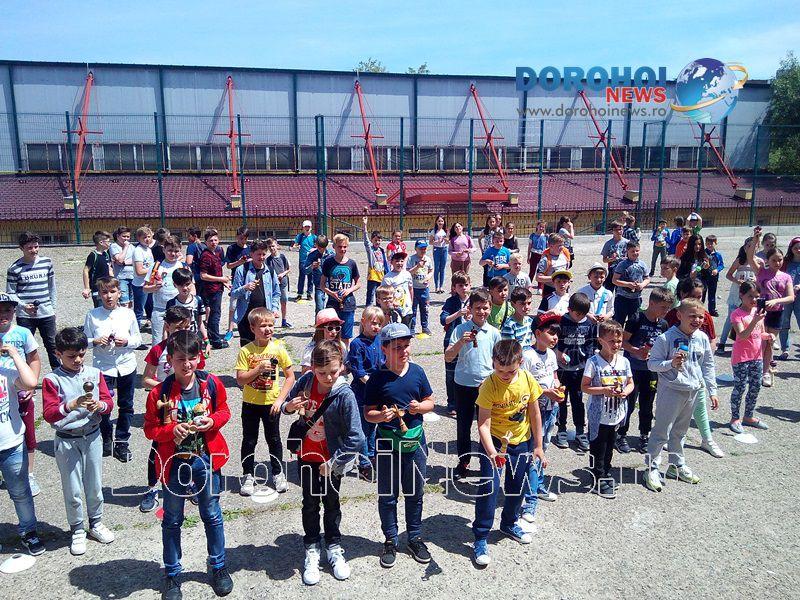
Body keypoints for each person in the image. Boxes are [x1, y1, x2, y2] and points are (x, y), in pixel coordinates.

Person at [143, 331, 234, 599]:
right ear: (170, 360)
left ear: (199, 357)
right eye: (180, 359)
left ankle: (218, 566)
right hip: (174, 464)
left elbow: (224, 411)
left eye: (192, 358)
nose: (187, 364)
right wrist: (170, 430)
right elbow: (150, 429)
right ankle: (172, 574)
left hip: (206, 459)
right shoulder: (159, 393)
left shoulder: (211, 383)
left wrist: (213, 421)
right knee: (172, 519)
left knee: (212, 514)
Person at [281, 341, 363, 586]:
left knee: (331, 503)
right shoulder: (307, 381)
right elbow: (286, 404)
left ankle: (334, 547)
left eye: (333, 372)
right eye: (322, 372)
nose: (328, 377)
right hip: (306, 456)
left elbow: (357, 436)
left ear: (342, 367)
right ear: (312, 368)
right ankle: (312, 547)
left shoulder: (345, 394)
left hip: (330, 461)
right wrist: (288, 407)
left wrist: (335, 462)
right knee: (309, 503)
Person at [365, 323, 435, 569]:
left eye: (406, 346)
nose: (404, 351)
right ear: (384, 349)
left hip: (415, 443)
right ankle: (390, 539)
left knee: (415, 493)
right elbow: (368, 413)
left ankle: (414, 537)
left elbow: (430, 401)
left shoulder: (417, 372)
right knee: (388, 495)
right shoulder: (377, 378)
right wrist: (380, 416)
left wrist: (420, 407)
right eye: (397, 347)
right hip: (387, 444)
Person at [42, 327, 116, 555]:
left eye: (82, 354)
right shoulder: (52, 379)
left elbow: (108, 402)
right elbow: (49, 414)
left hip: (92, 435)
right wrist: (69, 406)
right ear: (58, 354)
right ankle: (77, 529)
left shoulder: (94, 373)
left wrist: (100, 406)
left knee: (94, 484)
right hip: (67, 439)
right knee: (72, 487)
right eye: (71, 356)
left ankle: (96, 522)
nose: (77, 360)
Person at [472, 339, 545, 565]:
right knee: (490, 488)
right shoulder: (489, 385)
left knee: (517, 486)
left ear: (520, 362)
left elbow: (535, 414)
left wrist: (538, 445)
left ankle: (509, 523)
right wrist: (492, 453)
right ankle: (481, 536)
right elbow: (483, 424)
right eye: (499, 370)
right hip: (493, 443)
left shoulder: (527, 379)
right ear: (493, 362)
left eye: (510, 371)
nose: (504, 375)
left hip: (521, 442)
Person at [644, 298, 718, 492]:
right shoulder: (665, 338)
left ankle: (676, 465)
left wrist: (712, 390)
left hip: (693, 390)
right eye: (692, 316)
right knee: (662, 431)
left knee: (680, 432)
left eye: (700, 317)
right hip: (671, 390)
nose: (697, 320)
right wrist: (671, 364)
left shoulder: (702, 337)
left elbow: (708, 365)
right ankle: (651, 468)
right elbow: (652, 364)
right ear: (679, 315)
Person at [140, 306, 207, 513]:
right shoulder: (158, 350)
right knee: (158, 448)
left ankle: (190, 483)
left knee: (190, 445)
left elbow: (198, 375)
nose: (182, 332)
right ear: (167, 326)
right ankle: (152, 488)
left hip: (187, 404)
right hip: (165, 404)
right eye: (177, 328)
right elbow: (146, 379)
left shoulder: (192, 349)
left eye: (186, 327)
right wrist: (165, 388)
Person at [235, 308, 294, 496]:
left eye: (270, 325)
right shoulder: (246, 351)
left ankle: (277, 473)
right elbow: (240, 380)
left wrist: (280, 400)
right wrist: (258, 370)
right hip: (250, 403)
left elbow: (290, 377)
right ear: (252, 328)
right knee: (249, 440)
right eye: (262, 326)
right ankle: (247, 475)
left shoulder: (278, 349)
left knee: (274, 439)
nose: (268, 329)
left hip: (271, 404)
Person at [444, 288, 501, 480]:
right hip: (463, 385)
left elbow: (499, 361)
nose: (481, 312)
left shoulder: (494, 333)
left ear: (490, 308)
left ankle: (487, 462)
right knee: (463, 426)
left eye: (485, 308)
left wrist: (493, 378)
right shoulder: (461, 329)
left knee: (487, 426)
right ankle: (463, 461)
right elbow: (448, 357)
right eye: (477, 308)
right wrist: (460, 342)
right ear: (470, 308)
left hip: (486, 386)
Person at [83, 276, 141, 461]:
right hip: (103, 367)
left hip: (126, 365)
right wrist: (95, 341)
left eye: (112, 292)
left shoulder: (128, 314)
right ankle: (106, 438)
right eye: (104, 292)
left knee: (126, 405)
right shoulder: (92, 315)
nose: (109, 296)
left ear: (119, 293)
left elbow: (138, 339)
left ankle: (122, 441)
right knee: (103, 406)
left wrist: (126, 342)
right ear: (99, 295)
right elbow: (84, 341)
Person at [665, 277, 723, 456]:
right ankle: (669, 437)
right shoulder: (673, 315)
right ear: (683, 294)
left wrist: (704, 361)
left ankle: (707, 439)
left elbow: (711, 340)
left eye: (700, 297)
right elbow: (663, 342)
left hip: (696, 372)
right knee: (673, 409)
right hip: (674, 373)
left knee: (700, 407)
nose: (698, 301)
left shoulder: (705, 316)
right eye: (694, 296)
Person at [0, 336, 45, 556]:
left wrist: (15, 355)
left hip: (11, 442)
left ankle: (29, 531)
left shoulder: (6, 371)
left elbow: (30, 383)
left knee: (20, 493)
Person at [617, 286, 673, 454]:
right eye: (663, 307)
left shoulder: (663, 324)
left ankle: (644, 435)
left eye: (668, 308)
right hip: (633, 369)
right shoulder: (636, 319)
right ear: (651, 303)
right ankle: (620, 435)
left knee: (647, 404)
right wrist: (636, 351)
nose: (666, 311)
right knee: (628, 403)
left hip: (651, 370)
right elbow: (622, 342)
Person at [581, 319, 633, 498]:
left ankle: (606, 471)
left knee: (610, 446)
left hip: (616, 414)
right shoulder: (593, 362)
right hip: (599, 415)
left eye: (619, 341)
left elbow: (630, 383)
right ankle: (597, 476)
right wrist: (603, 390)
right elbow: (585, 386)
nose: (616, 345)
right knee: (598, 447)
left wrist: (626, 391)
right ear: (600, 340)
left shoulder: (624, 361)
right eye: (612, 341)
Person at [0, 292, 43, 496]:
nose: (3, 315)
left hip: (21, 391)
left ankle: (29, 474)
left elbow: (34, 359)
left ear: (14, 311)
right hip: (2, 393)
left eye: (7, 310)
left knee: (28, 434)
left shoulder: (23, 333)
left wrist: (31, 387)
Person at [520, 314, 562, 520]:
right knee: (533, 453)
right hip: (533, 412)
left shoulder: (552, 354)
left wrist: (558, 388)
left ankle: (539, 486)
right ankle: (530, 502)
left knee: (542, 449)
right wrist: (546, 392)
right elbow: (522, 386)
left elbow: (554, 376)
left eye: (557, 334)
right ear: (537, 333)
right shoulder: (527, 356)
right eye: (551, 333)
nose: (555, 337)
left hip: (550, 409)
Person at [747, 229, 794, 387]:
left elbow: (791, 297)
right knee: (758, 341)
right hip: (760, 311)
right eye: (774, 260)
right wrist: (755, 238)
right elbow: (749, 256)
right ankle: (756, 369)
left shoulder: (786, 276)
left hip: (777, 313)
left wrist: (777, 301)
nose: (777, 263)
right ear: (768, 260)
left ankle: (765, 372)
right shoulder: (761, 272)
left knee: (768, 342)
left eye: (780, 260)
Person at [6, 231, 59, 369]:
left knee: (53, 345)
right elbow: (11, 293)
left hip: (46, 313)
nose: (34, 250)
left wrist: (53, 308)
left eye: (36, 246)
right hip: (25, 316)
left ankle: (58, 375)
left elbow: (52, 287)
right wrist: (23, 306)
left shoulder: (47, 262)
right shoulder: (14, 268)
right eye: (29, 248)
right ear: (21, 248)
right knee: (25, 347)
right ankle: (26, 377)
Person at [346, 307, 384, 480]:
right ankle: (364, 463)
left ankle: (372, 456)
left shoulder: (380, 340)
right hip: (363, 391)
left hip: (378, 390)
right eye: (373, 323)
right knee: (362, 429)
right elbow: (358, 371)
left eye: (379, 324)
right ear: (363, 322)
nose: (376, 327)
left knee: (373, 426)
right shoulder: (356, 344)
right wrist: (374, 385)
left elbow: (384, 362)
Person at [554, 292, 594, 451]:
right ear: (569, 309)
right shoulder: (561, 321)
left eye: (583, 314)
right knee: (561, 400)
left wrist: (589, 361)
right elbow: (553, 341)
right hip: (562, 369)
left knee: (578, 400)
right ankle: (561, 429)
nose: (580, 317)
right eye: (577, 314)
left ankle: (579, 431)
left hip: (579, 368)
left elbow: (591, 344)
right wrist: (558, 353)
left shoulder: (588, 323)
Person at [729, 281, 769, 434]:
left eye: (757, 296)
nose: (754, 299)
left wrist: (768, 336)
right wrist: (754, 320)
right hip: (741, 357)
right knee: (740, 388)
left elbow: (760, 333)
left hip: (757, 356)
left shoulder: (758, 313)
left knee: (755, 387)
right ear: (741, 295)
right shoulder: (737, 314)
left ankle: (748, 416)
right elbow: (742, 335)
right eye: (750, 296)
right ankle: (735, 418)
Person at [230, 239, 281, 346]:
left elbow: (276, 293)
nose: (261, 257)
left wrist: (274, 308)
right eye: (258, 254)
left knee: (264, 348)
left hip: (264, 317)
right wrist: (245, 288)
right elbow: (233, 293)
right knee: (247, 347)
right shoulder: (242, 270)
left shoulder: (270, 271)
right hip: (246, 317)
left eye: (264, 254)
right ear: (251, 254)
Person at [320, 233, 362, 346]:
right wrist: (332, 293)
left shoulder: (351, 263)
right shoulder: (328, 262)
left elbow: (358, 283)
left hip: (348, 304)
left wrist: (349, 290)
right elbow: (322, 285)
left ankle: (344, 355)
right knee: (331, 334)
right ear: (334, 247)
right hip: (332, 304)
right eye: (339, 246)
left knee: (345, 336)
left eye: (345, 247)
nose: (342, 249)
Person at [718, 241, 757, 355]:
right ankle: (722, 343)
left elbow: (762, 276)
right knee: (730, 319)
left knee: (748, 318)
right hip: (737, 294)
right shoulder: (740, 260)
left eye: (753, 246)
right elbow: (728, 274)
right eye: (748, 246)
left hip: (751, 295)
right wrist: (737, 281)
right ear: (744, 247)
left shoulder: (758, 261)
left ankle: (745, 343)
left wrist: (756, 281)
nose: (750, 248)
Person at [441, 271, 471, 416]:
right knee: (451, 373)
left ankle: (468, 401)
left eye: (466, 285)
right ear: (454, 287)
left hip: (470, 341)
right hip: (453, 341)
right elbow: (443, 320)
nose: (464, 288)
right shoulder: (451, 302)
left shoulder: (474, 300)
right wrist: (458, 313)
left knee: (469, 370)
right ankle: (452, 403)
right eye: (460, 285)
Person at [145, 235, 184, 344]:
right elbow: (145, 288)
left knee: (178, 342)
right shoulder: (156, 267)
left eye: (176, 251)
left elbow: (191, 287)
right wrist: (154, 287)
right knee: (158, 342)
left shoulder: (183, 267)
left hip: (178, 310)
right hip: (160, 310)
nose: (173, 254)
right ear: (164, 250)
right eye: (170, 250)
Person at [198, 229, 231, 350]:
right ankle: (216, 341)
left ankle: (213, 337)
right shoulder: (206, 256)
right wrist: (221, 279)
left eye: (215, 240)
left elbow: (215, 273)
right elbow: (203, 275)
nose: (213, 242)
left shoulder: (215, 253)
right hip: (211, 289)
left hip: (217, 287)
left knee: (214, 313)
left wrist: (224, 282)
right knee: (215, 314)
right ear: (206, 242)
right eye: (210, 240)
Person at [611, 241, 650, 328]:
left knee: (634, 322)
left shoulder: (642, 264)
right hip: (622, 298)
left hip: (636, 298)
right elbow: (614, 280)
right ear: (627, 251)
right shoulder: (622, 264)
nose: (635, 253)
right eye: (632, 251)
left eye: (637, 251)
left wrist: (642, 284)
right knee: (619, 321)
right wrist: (628, 284)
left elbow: (647, 278)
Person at [165, 268, 208, 343]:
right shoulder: (172, 303)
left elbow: (200, 323)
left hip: (193, 340)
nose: (185, 288)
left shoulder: (198, 300)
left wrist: (206, 340)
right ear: (174, 285)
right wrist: (165, 344)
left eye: (187, 284)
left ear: (192, 283)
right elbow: (166, 327)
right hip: (177, 341)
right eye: (181, 285)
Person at [223, 226, 250, 342]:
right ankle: (230, 330)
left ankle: (248, 327)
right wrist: (239, 262)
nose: (242, 241)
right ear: (237, 237)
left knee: (247, 304)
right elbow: (228, 266)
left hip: (248, 279)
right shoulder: (231, 248)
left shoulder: (250, 249)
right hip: (236, 280)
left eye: (244, 239)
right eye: (240, 238)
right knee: (233, 305)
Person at [301, 309, 348, 374]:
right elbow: (305, 371)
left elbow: (346, 364)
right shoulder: (311, 349)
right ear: (320, 329)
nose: (334, 332)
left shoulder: (341, 346)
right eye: (330, 328)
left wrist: (343, 368)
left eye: (337, 328)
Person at [778, 236, 800, 360]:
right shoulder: (785, 262)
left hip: (799, 299)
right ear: (791, 248)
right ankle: (784, 349)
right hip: (785, 297)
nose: (798, 250)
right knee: (784, 323)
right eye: (796, 248)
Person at [407, 240, 433, 336]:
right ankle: (411, 328)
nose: (423, 250)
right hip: (414, 288)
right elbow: (408, 273)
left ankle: (424, 327)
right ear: (416, 249)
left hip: (424, 289)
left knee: (425, 309)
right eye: (421, 248)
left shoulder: (428, 259)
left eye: (424, 248)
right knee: (413, 310)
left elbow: (431, 270)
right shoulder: (411, 259)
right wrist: (417, 266)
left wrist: (428, 278)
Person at [535, 233, 570, 306]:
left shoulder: (564, 255)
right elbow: (538, 278)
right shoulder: (545, 260)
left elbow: (567, 269)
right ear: (551, 246)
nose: (562, 248)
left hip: (564, 289)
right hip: (550, 290)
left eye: (562, 245)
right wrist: (555, 278)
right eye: (559, 245)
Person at [381, 251, 414, 328]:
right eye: (397, 261)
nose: (399, 263)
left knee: (406, 330)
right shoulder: (388, 278)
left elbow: (410, 289)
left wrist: (411, 303)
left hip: (407, 309)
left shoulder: (407, 274)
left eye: (402, 261)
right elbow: (384, 295)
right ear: (391, 262)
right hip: (394, 309)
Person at [131, 226, 155, 330]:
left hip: (149, 283)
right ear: (139, 238)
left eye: (149, 237)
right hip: (140, 285)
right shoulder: (138, 251)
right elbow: (139, 271)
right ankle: (135, 331)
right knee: (139, 310)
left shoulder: (148, 249)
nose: (147, 239)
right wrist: (154, 269)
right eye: (144, 237)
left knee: (150, 307)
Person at [266, 238, 292, 328]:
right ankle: (270, 322)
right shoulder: (268, 260)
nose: (272, 248)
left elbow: (288, 269)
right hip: (273, 285)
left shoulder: (282, 257)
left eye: (273, 246)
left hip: (283, 283)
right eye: (269, 247)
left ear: (277, 245)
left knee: (284, 302)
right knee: (272, 303)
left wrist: (282, 274)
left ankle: (284, 321)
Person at [82, 231, 113, 308]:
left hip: (107, 287)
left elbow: (109, 269)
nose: (110, 244)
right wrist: (87, 288)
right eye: (108, 242)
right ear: (101, 242)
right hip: (97, 289)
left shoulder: (106, 254)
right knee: (100, 310)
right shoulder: (93, 255)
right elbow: (85, 270)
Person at [363, 216, 388, 306]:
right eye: (375, 240)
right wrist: (365, 225)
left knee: (379, 296)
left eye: (379, 240)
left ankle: (379, 311)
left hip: (381, 276)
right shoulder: (371, 250)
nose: (377, 242)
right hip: (373, 276)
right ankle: (368, 310)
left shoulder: (382, 250)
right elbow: (366, 241)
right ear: (372, 240)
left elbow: (385, 264)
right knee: (370, 294)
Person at [305, 235, 333, 314]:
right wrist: (311, 266)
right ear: (316, 245)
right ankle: (319, 321)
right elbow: (305, 271)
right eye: (319, 247)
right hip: (319, 285)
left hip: (331, 285)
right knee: (319, 308)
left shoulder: (331, 255)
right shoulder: (312, 255)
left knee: (332, 309)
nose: (321, 250)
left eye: (323, 247)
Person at [110, 226, 135, 308]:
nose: (126, 239)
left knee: (131, 300)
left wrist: (125, 262)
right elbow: (120, 260)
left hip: (133, 276)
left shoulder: (132, 247)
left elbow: (136, 260)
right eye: (124, 236)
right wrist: (125, 247)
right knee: (124, 301)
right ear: (118, 236)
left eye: (128, 236)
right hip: (121, 277)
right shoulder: (114, 246)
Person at [292, 220, 317, 302]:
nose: (307, 228)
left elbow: (318, 247)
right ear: (303, 228)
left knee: (311, 277)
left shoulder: (314, 237)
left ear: (311, 228)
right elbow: (294, 246)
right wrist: (295, 247)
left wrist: (314, 249)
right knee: (301, 277)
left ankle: (309, 294)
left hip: (311, 260)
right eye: (305, 227)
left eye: (308, 227)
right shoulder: (299, 237)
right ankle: (299, 294)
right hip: (302, 260)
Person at [600, 221, 628, 293]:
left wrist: (626, 259)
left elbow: (632, 257)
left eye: (621, 229)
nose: (619, 231)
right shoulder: (608, 243)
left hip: (624, 271)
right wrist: (612, 259)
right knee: (608, 292)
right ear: (612, 231)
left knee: (622, 292)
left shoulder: (627, 242)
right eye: (616, 230)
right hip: (612, 271)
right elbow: (604, 260)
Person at [702, 234, 724, 316]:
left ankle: (712, 310)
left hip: (713, 277)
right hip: (703, 277)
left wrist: (717, 270)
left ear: (716, 243)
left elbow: (721, 265)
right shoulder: (703, 253)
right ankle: (700, 309)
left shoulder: (718, 255)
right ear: (705, 244)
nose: (710, 245)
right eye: (708, 244)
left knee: (712, 294)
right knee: (702, 294)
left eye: (712, 243)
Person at [429, 214, 449, 293]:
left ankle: (441, 286)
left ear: (444, 222)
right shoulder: (434, 231)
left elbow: (448, 242)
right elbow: (430, 242)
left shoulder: (446, 231)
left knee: (442, 268)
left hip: (444, 249)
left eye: (442, 221)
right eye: (439, 221)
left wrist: (446, 240)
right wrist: (437, 241)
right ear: (436, 222)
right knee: (437, 268)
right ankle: (436, 286)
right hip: (436, 249)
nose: (440, 222)